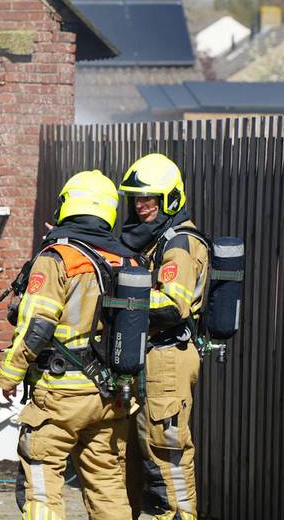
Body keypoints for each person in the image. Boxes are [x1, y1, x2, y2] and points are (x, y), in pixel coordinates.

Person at [0, 170, 136, 520]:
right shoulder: (127, 261)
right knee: (107, 485)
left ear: (67, 205)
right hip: (109, 396)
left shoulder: (58, 258)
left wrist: (9, 375)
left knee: (42, 483)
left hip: (60, 395)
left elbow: (36, 326)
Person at [118, 153, 208, 520]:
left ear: (169, 199)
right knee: (137, 449)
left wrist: (120, 299)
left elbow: (173, 306)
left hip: (167, 357)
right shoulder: (154, 240)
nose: (141, 206)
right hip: (150, 356)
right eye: (136, 199)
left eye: (149, 198)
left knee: (167, 450)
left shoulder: (178, 243)